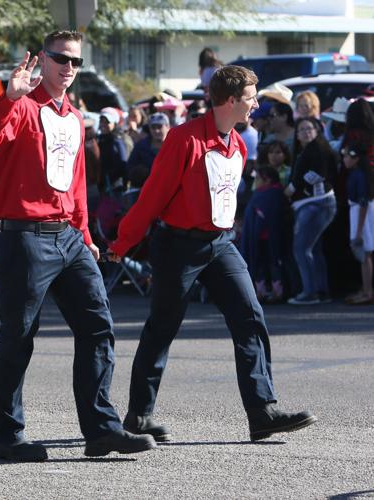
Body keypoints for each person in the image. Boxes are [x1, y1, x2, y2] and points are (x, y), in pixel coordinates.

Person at [0, 30, 156, 462]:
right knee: (18, 337)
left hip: (69, 237)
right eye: (60, 59)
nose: (68, 67)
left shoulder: (74, 118)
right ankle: (5, 436)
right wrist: (9, 96)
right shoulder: (22, 107)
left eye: (75, 61)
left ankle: (102, 430)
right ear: (43, 60)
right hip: (25, 237)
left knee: (98, 327)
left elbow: (76, 188)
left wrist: (87, 237)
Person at [107, 65, 316, 443]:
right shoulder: (184, 140)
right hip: (177, 246)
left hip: (219, 244)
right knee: (163, 327)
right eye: (252, 98)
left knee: (249, 315)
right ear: (231, 100)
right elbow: (152, 196)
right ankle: (139, 416)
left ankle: (262, 411)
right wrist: (121, 244)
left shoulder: (236, 142)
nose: (256, 105)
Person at [285, 117, 338, 305]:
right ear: (297, 134)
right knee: (314, 249)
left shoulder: (319, 150)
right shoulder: (306, 150)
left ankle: (310, 293)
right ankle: (321, 291)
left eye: (310, 128)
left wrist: (292, 187)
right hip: (313, 203)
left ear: (317, 131)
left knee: (301, 248)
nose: (306, 132)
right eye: (302, 129)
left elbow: (315, 176)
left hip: (317, 202)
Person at [241, 166, 287, 302]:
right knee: (261, 263)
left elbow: (267, 215)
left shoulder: (272, 194)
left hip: (269, 236)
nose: (256, 181)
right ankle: (260, 291)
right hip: (261, 237)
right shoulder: (263, 193)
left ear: (267, 180)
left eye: (259, 179)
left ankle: (277, 292)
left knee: (272, 263)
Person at [341, 142, 373, 305]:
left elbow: (363, 201)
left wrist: (359, 230)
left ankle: (368, 291)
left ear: (355, 158)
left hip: (362, 213)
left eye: (347, 155)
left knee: (365, 253)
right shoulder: (357, 173)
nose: (344, 159)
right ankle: (366, 288)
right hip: (358, 210)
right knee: (364, 254)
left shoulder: (359, 175)